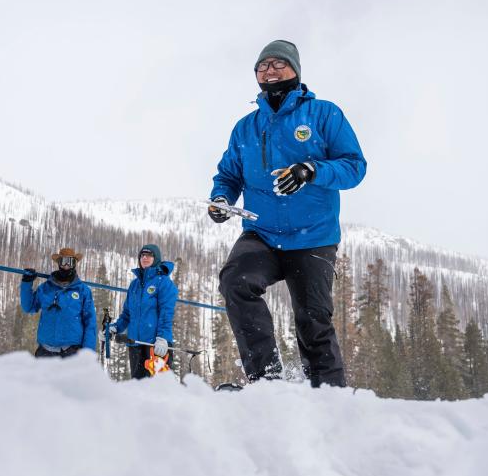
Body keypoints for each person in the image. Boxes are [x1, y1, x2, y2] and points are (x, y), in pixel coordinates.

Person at [208, 39, 367, 388]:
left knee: (313, 318)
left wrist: (311, 170)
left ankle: (328, 395)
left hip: (314, 236)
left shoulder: (324, 114)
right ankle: (267, 381)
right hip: (262, 233)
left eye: (278, 63)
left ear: (295, 70)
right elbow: (229, 175)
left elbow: (354, 167)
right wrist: (220, 198)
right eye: (262, 66)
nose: (270, 70)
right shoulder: (246, 127)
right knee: (236, 281)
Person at [106, 244, 178, 379]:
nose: (145, 258)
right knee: (138, 390)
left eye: (149, 255)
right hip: (135, 345)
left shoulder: (163, 282)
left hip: (156, 346)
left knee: (158, 390)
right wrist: (115, 328)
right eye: (142, 255)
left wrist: (162, 338)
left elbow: (166, 313)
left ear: (156, 258)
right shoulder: (134, 285)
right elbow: (127, 314)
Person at [20, 247, 97, 358]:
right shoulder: (46, 288)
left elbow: (90, 323)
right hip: (45, 351)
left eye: (70, 262)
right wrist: (26, 283)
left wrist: (88, 353)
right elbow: (28, 307)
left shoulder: (83, 291)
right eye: (63, 261)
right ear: (58, 263)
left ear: (74, 264)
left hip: (71, 352)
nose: (66, 266)